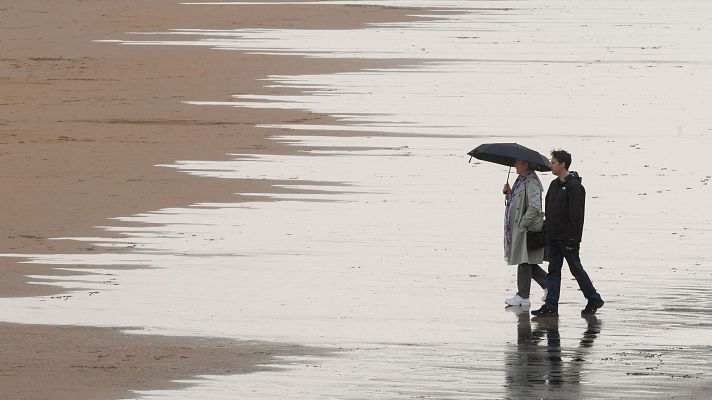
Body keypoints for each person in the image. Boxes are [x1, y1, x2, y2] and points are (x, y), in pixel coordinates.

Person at [532, 150, 604, 317]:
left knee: (576, 269)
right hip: (553, 237)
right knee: (553, 271)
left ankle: (594, 298)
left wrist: (573, 239)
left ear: (563, 164)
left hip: (568, 239)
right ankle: (551, 306)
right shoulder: (553, 185)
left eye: (553, 163)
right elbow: (548, 209)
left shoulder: (575, 187)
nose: (551, 165)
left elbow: (577, 216)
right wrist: (546, 230)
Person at [502, 159, 547, 307]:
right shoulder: (521, 180)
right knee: (526, 261)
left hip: (527, 228)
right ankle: (548, 286)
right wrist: (509, 194)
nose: (515, 165)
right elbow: (517, 203)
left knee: (524, 261)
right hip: (520, 228)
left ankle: (523, 296)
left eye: (518, 163)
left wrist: (522, 224)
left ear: (526, 164)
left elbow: (535, 207)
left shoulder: (531, 181)